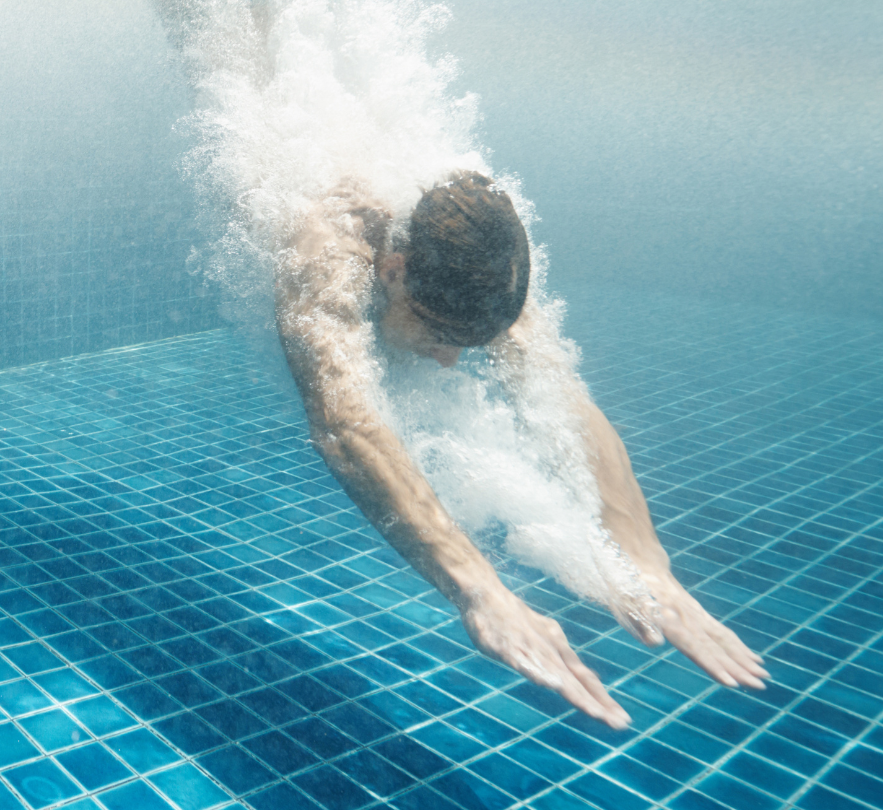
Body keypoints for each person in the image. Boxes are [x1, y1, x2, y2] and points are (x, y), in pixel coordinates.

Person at [275, 172, 768, 729]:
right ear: (393, 271)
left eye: (465, 346)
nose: (446, 362)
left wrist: (648, 564)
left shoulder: (481, 258)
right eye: (441, 336)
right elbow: (346, 424)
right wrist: (479, 588)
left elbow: (559, 400)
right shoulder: (327, 251)